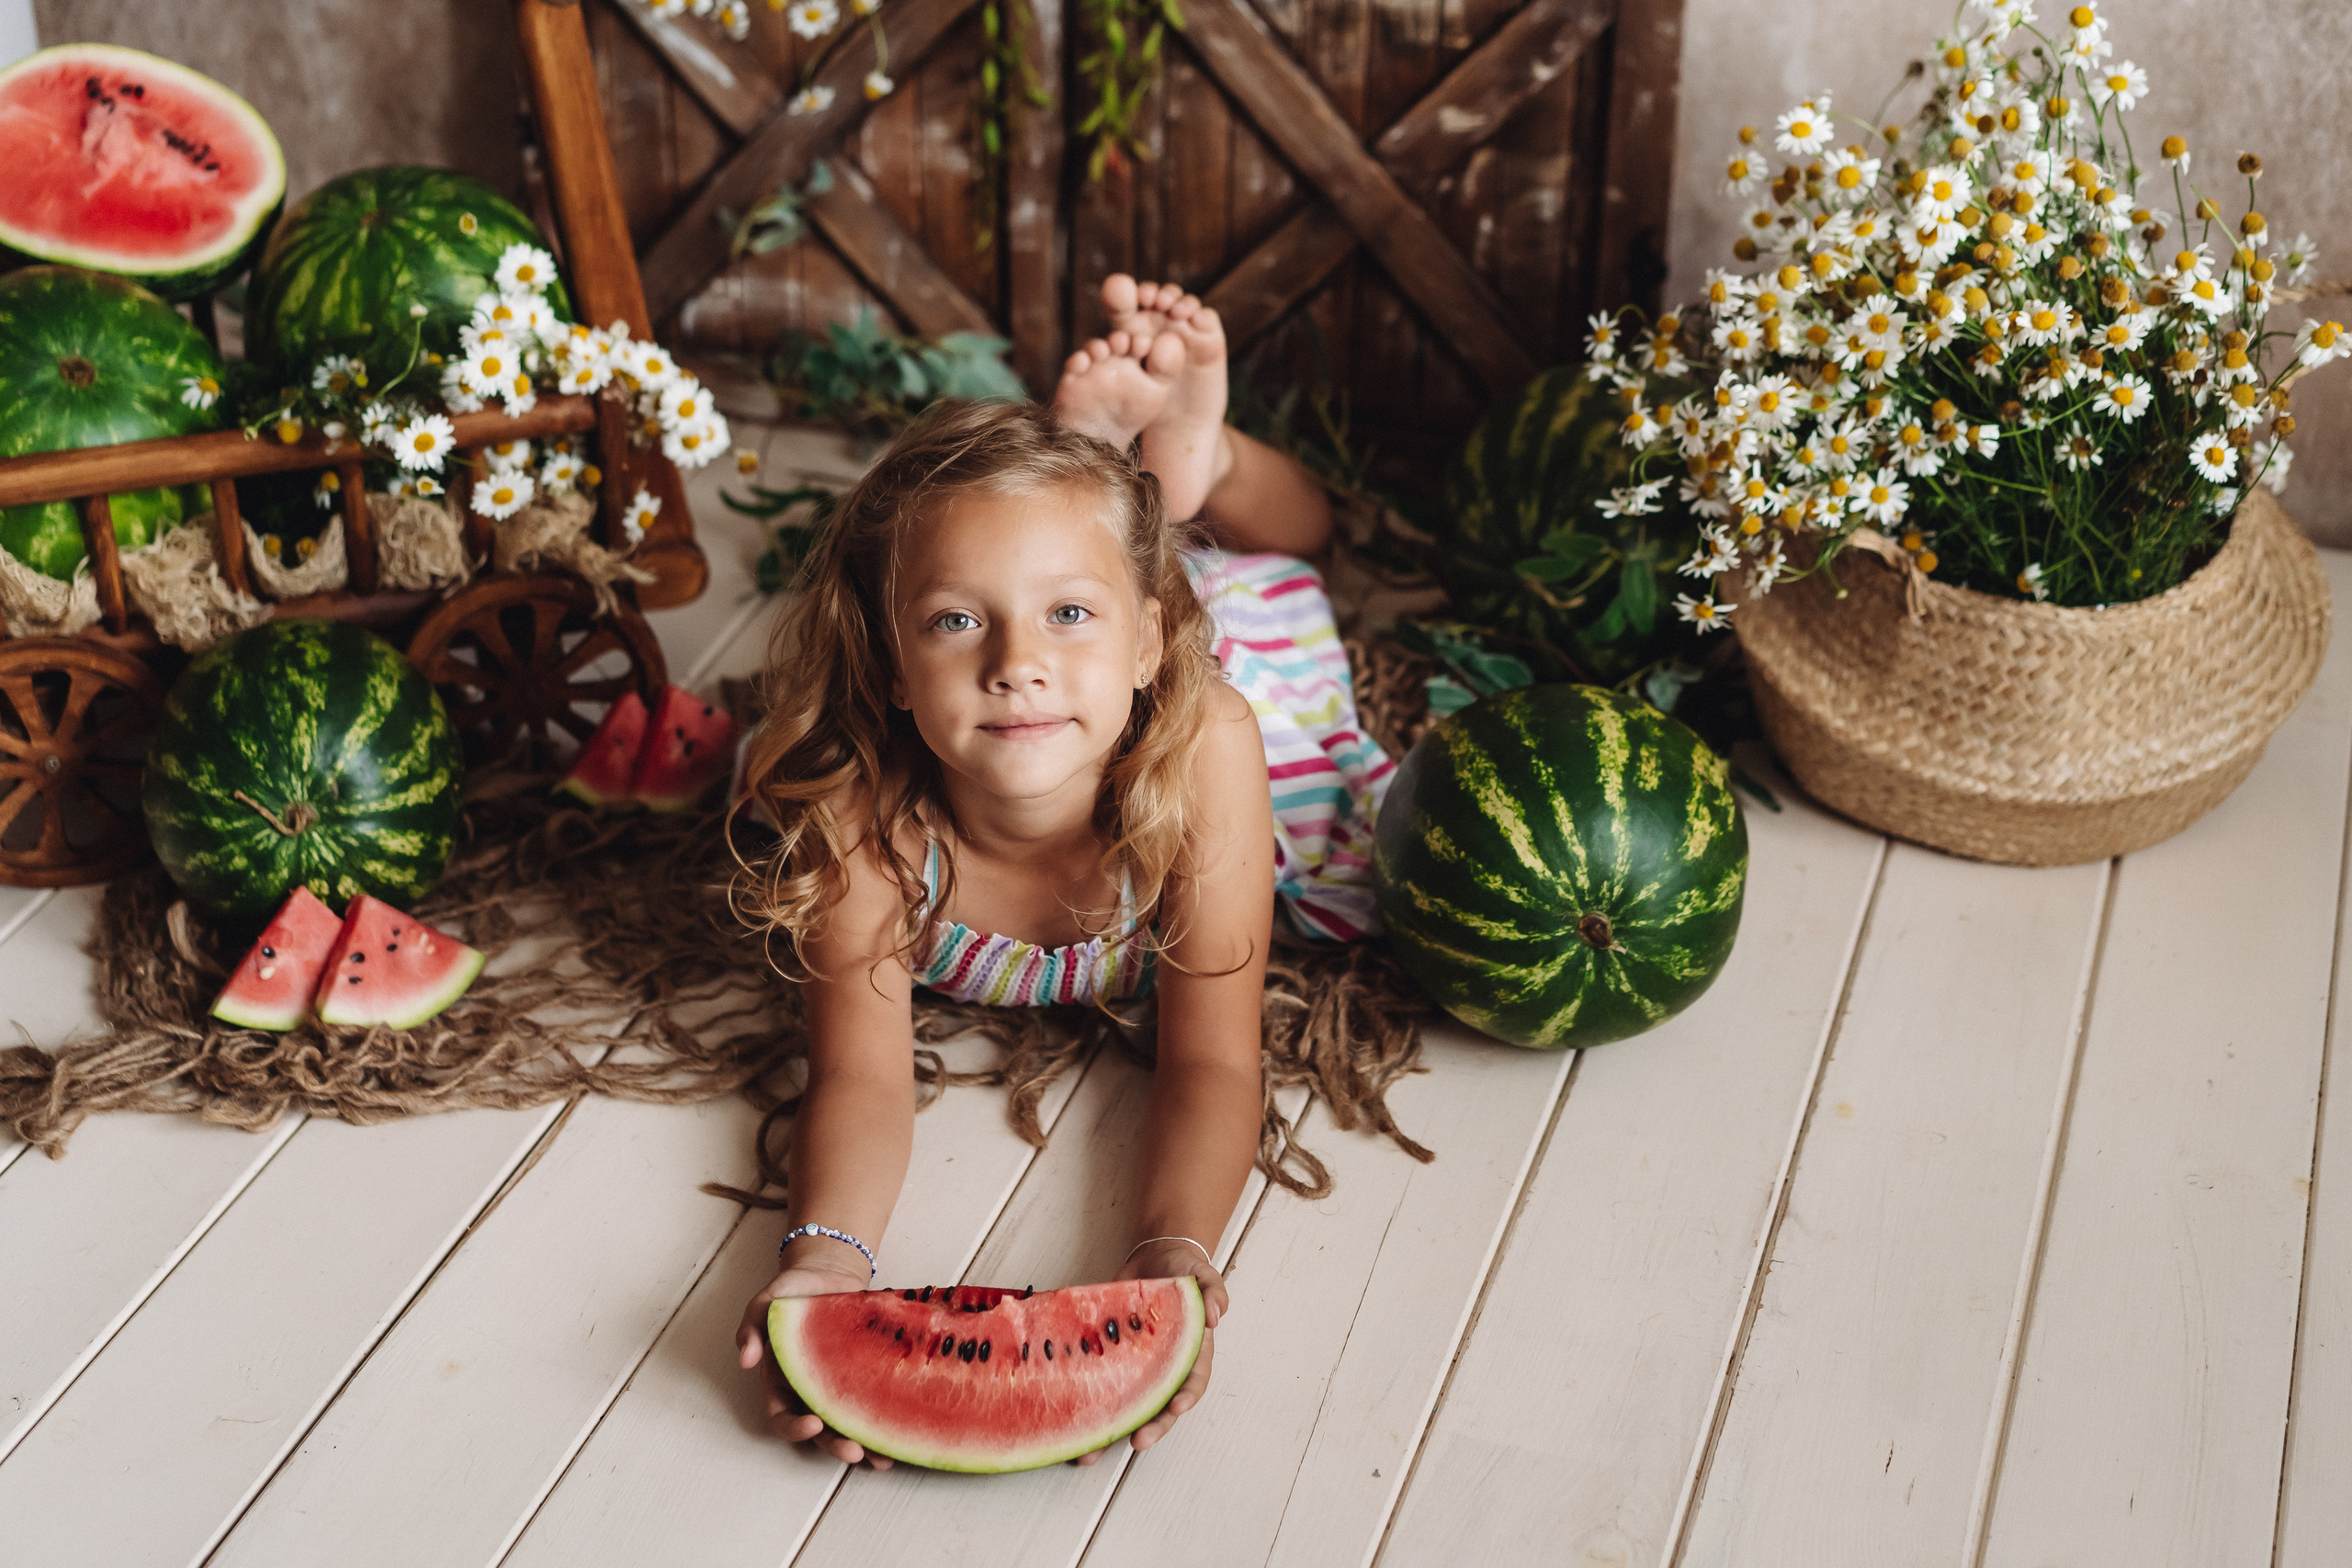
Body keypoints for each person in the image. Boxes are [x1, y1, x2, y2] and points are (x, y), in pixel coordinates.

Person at [730, 276, 1394, 1466]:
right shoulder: (865, 820)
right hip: (1116, 654)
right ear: (889, 665)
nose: (1016, 666)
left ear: (1146, 641)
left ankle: (1188, 466)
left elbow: (1211, 1055)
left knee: (1298, 566)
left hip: (1215, 685)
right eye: (953, 624)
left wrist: (1174, 1255)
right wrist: (820, 1254)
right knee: (1041, 553)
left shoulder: (1211, 754)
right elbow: (861, 1081)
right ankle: (1095, 499)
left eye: (1067, 618)